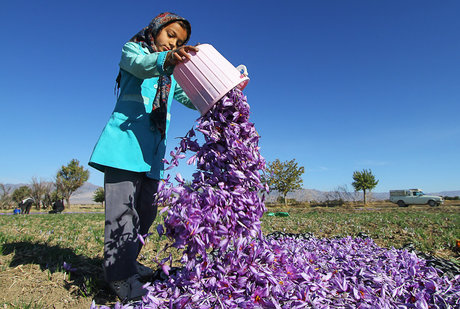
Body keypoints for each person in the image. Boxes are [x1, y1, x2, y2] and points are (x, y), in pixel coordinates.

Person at [88, 12, 198, 301]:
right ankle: (118, 277)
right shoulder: (134, 50)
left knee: (145, 215)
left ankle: (128, 262)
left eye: (180, 41)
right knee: (122, 214)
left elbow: (189, 95)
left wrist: (221, 92)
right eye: (170, 35)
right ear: (156, 29)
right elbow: (139, 66)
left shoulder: (171, 73)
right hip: (123, 150)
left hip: (152, 156)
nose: (173, 43)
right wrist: (169, 61)